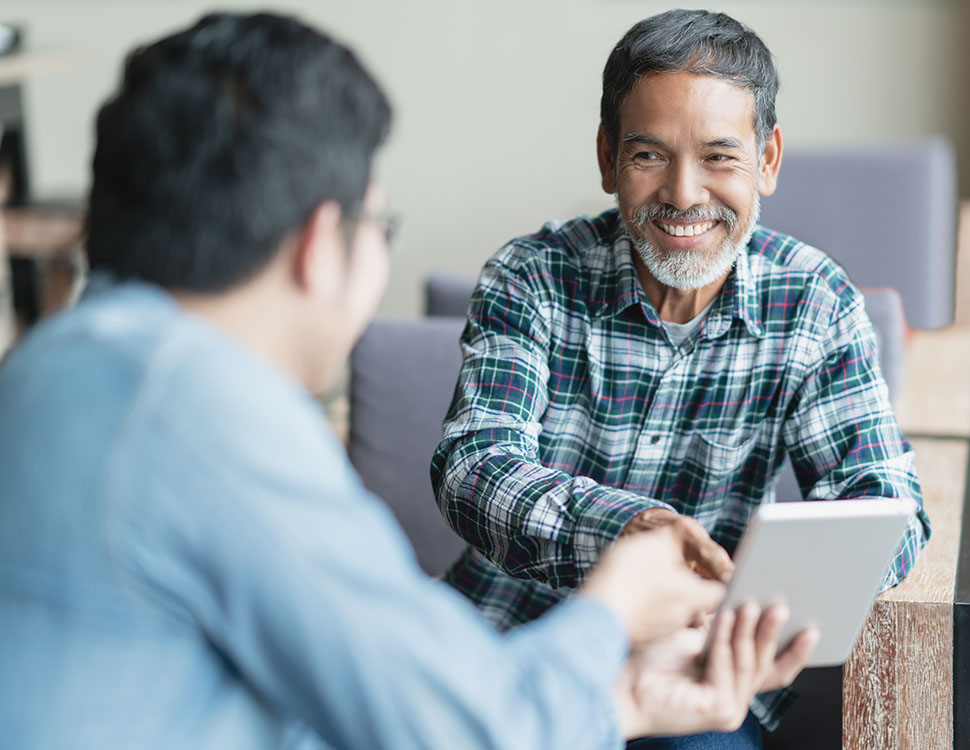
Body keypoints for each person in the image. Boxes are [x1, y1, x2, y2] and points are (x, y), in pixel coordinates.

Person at [0, 12, 817, 750]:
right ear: (322, 243)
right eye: (378, 225)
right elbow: (470, 728)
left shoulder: (45, 367)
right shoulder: (210, 419)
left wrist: (624, 695)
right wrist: (614, 608)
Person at [431, 8, 931, 748]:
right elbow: (474, 467)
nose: (685, 193)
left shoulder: (815, 302)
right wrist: (628, 531)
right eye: (649, 156)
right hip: (513, 641)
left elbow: (887, 505)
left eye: (720, 157)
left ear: (767, 160)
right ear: (607, 159)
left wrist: (767, 592)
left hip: (702, 666)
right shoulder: (532, 277)